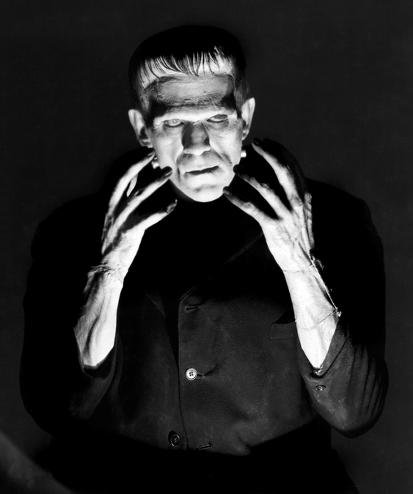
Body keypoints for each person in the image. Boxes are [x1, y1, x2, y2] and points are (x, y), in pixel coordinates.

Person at [21, 25, 388, 494]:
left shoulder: (336, 220)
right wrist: (109, 271)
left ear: (245, 119)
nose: (198, 144)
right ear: (142, 128)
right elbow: (55, 410)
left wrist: (299, 265)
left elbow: (356, 412)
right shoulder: (70, 231)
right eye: (174, 123)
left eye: (217, 118)